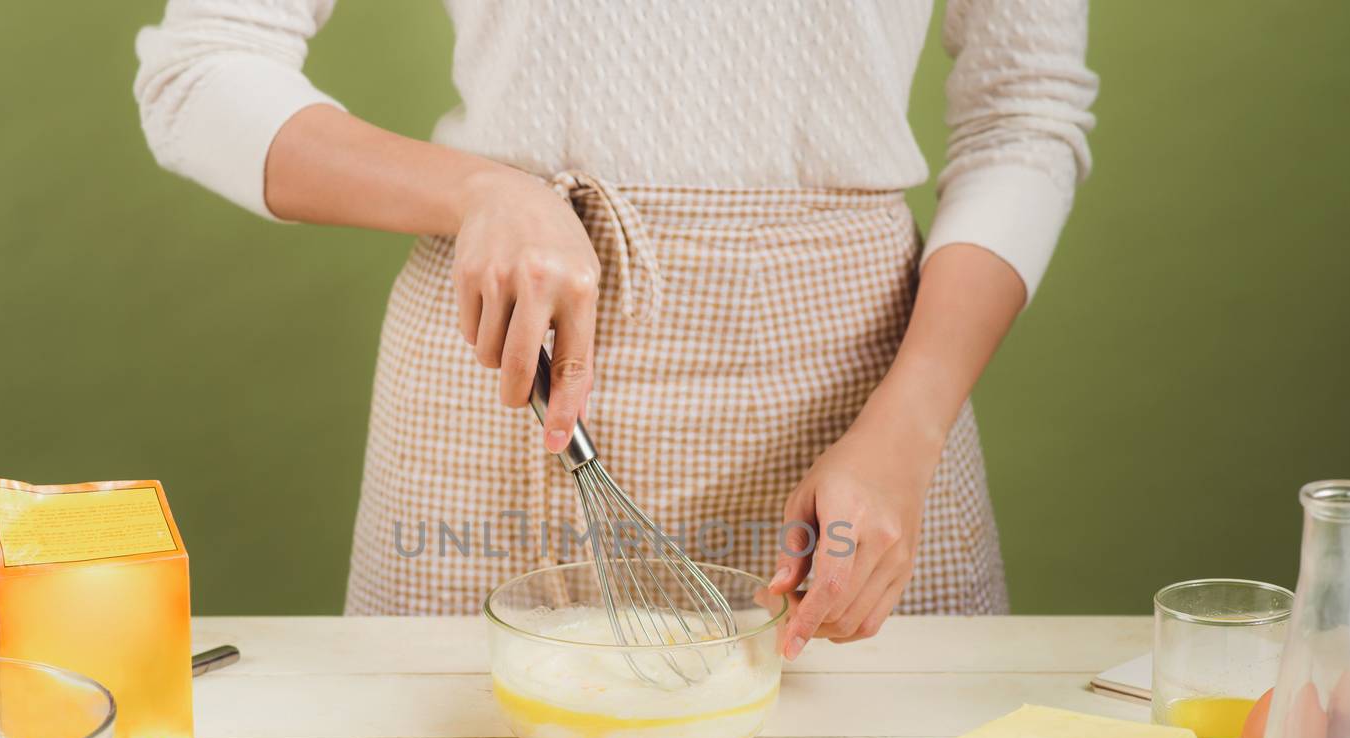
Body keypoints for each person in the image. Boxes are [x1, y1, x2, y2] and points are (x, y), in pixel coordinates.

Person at [134, 1, 1097, 658]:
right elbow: (199, 71)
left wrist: (910, 424)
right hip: (511, 370)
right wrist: (477, 191)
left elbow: (1024, 114)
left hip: (865, 401)